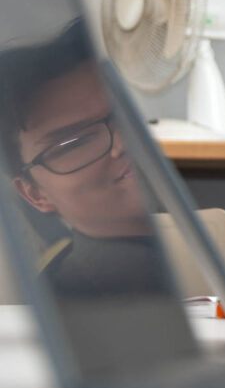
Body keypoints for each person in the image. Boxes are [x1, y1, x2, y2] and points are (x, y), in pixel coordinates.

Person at [0, 19, 164, 295]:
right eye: (76, 142)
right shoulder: (68, 311)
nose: (122, 144)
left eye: (124, 116)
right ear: (35, 194)